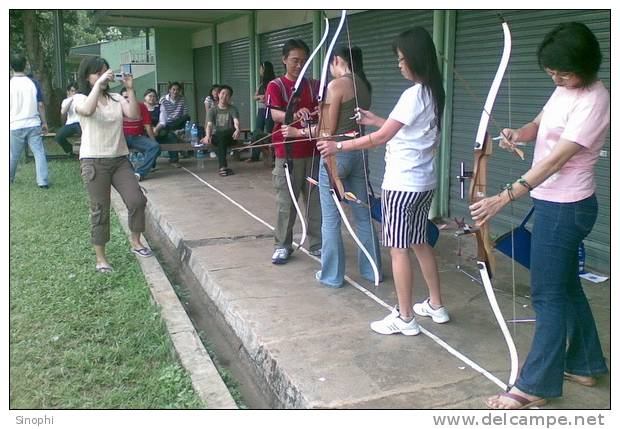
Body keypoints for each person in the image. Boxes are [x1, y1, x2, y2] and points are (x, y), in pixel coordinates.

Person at [469, 22, 609, 410]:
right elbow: (540, 124)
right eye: (551, 72)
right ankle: (584, 364)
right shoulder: (565, 88)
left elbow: (557, 160)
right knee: (567, 290)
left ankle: (536, 386)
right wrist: (519, 132)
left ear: (585, 64)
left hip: (567, 207)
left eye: (563, 72)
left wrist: (504, 197)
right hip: (554, 203)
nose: (557, 78)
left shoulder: (596, 100)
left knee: (547, 297)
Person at [317, 27, 450, 332]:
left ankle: (405, 318)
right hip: (423, 184)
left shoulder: (413, 93)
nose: (399, 64)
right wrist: (376, 119)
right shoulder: (433, 90)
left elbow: (379, 138)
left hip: (402, 185)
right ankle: (436, 305)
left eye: (402, 59)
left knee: (398, 249)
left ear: (416, 59)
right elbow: (405, 127)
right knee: (419, 242)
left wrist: (339, 145)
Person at [284, 45, 382, 288]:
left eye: (331, 64)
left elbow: (326, 130)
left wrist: (297, 131)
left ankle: (331, 276)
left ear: (336, 59)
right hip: (358, 153)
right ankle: (372, 271)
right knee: (362, 215)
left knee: (330, 219)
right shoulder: (363, 84)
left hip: (335, 155)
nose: (330, 69)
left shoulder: (336, 85)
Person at [73, 56, 152, 273]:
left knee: (137, 200)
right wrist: (98, 85)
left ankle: (136, 242)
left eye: (106, 72)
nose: (104, 76)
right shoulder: (79, 98)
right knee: (100, 210)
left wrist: (131, 89)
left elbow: (134, 115)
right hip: (94, 161)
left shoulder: (117, 97)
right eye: (98, 73)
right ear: (87, 77)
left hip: (119, 160)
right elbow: (88, 111)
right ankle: (101, 258)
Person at [265, 39, 322, 264]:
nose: (299, 65)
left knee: (315, 203)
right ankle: (282, 245)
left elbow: (325, 108)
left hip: (313, 152)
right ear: (284, 59)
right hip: (287, 154)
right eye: (294, 60)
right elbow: (274, 114)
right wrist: (297, 113)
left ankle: (317, 244)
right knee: (285, 203)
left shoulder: (314, 85)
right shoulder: (276, 85)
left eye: (303, 60)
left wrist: (320, 109)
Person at [9, 53, 49, 188]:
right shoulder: (33, 83)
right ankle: (42, 181)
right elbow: (40, 104)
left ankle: (9, 178)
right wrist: (44, 122)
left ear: (11, 67)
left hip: (14, 124)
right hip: (33, 123)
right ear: (25, 65)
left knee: (13, 155)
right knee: (39, 152)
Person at [120, 87, 160, 181]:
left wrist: (153, 141)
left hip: (136, 138)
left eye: (130, 96)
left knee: (155, 147)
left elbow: (147, 126)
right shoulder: (117, 107)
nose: (128, 99)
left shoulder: (141, 106)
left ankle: (139, 173)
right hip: (120, 138)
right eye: (125, 97)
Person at [200, 84, 241, 176]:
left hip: (230, 137)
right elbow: (209, 125)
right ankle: (223, 167)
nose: (224, 96)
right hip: (217, 137)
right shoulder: (212, 110)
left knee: (222, 137)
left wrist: (237, 129)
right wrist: (207, 136)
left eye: (227, 95)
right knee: (220, 138)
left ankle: (223, 167)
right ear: (218, 95)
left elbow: (236, 121)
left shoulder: (233, 109)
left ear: (230, 97)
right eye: (222, 93)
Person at [247, 61, 275, 163]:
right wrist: (259, 97)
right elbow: (254, 97)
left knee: (270, 132)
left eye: (261, 68)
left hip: (270, 110)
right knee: (257, 131)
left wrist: (266, 98)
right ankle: (255, 155)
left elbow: (274, 97)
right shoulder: (261, 84)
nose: (259, 71)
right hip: (261, 110)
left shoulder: (273, 82)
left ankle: (274, 157)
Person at [160, 81, 190, 167]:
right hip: (166, 122)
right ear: (169, 90)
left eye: (177, 90)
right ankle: (175, 131)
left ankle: (177, 131)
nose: (175, 91)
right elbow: (161, 114)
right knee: (171, 134)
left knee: (187, 117)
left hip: (178, 122)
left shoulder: (182, 99)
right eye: (173, 89)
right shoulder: (163, 99)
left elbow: (185, 113)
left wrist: (181, 122)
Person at [54, 82, 81, 157]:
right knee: (58, 137)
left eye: (76, 91)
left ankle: (86, 153)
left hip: (81, 122)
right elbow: (63, 111)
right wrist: (71, 100)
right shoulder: (65, 101)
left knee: (85, 135)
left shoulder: (81, 98)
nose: (74, 93)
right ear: (68, 92)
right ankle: (70, 150)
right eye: (72, 91)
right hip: (70, 124)